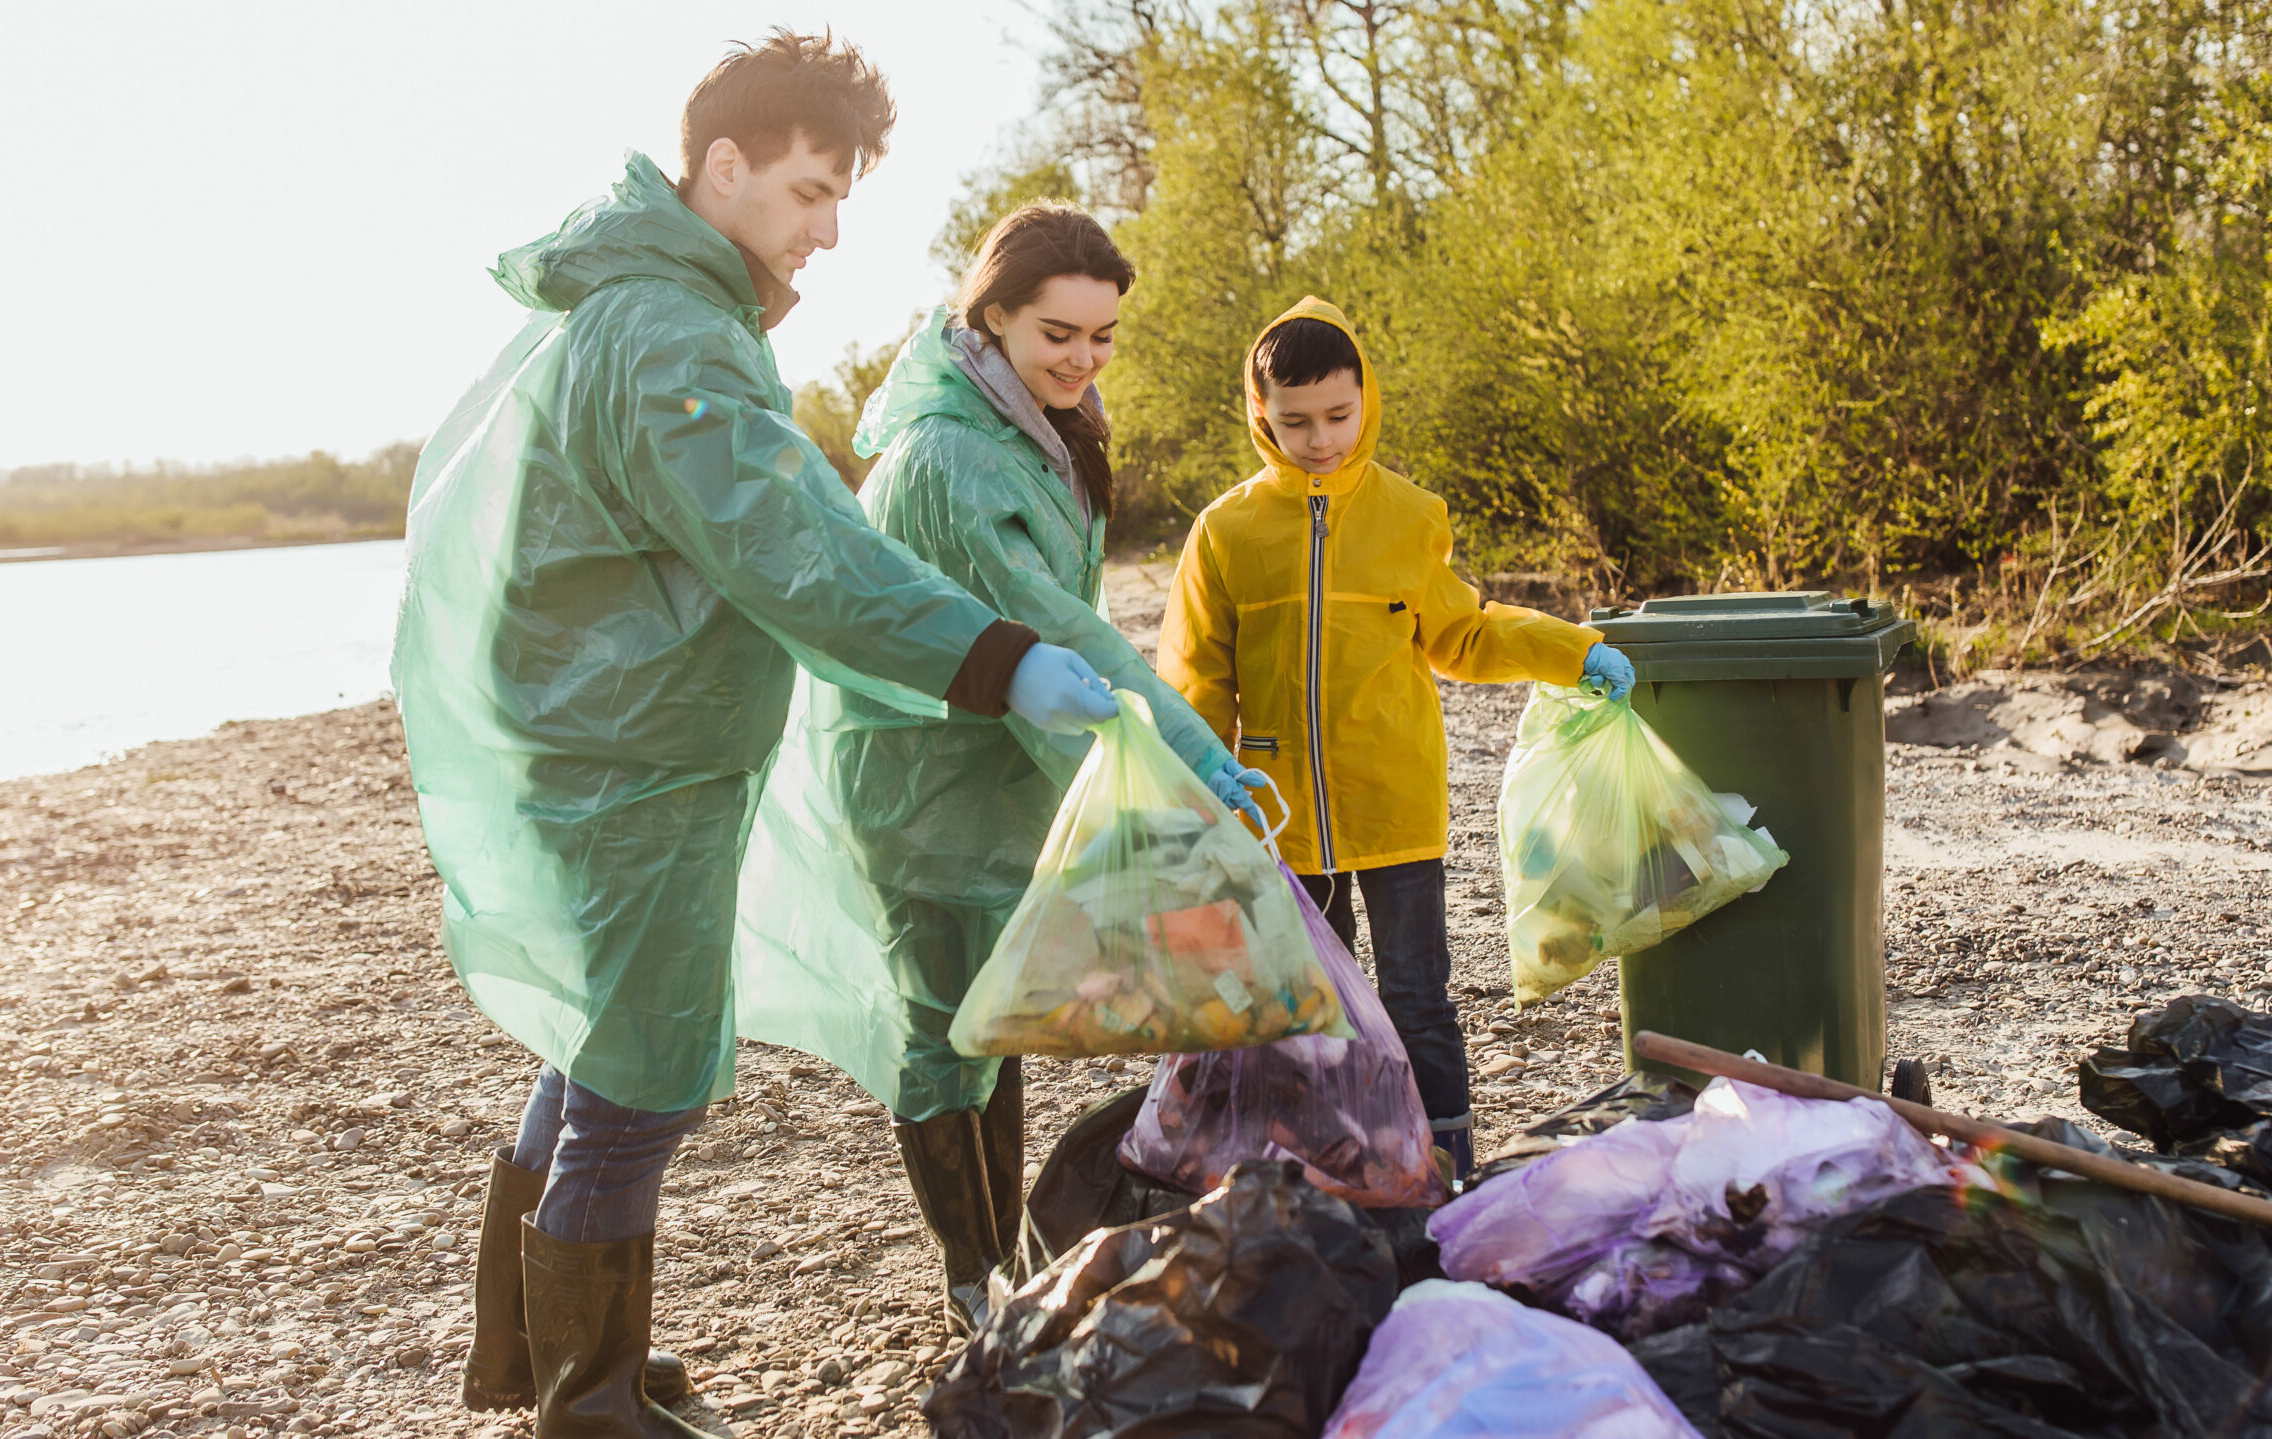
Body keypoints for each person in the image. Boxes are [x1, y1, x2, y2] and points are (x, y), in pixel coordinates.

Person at [393, 33, 1121, 1439]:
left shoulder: (637, 305)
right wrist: (997, 661)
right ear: (720, 166)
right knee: (638, 1072)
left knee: (589, 1033)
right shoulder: (668, 331)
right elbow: (796, 547)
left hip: (609, 742)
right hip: (634, 760)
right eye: (806, 189)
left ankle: (541, 1355)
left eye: (841, 195)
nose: (829, 228)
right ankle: (591, 1399)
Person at [734, 202, 1265, 1334]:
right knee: (943, 1026)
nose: (1081, 357)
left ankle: (1003, 1260)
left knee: (997, 1013)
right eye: (1056, 333)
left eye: (1101, 334)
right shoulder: (952, 457)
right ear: (991, 318)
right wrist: (1191, 751)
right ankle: (971, 1274)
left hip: (999, 757)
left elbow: (1064, 621)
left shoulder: (1036, 420)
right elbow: (1057, 625)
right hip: (918, 771)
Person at [1159, 296, 1637, 1181]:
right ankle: (1333, 1172)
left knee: (1418, 1000)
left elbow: (1466, 633)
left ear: (1365, 399)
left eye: (1339, 415)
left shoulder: (1410, 514)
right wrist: (1195, 786)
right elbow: (1196, 678)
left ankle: (1444, 1169)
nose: (1321, 438)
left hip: (1398, 812)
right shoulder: (1224, 532)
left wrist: (1573, 652)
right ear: (1260, 413)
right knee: (1306, 1011)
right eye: (1295, 421)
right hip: (1278, 820)